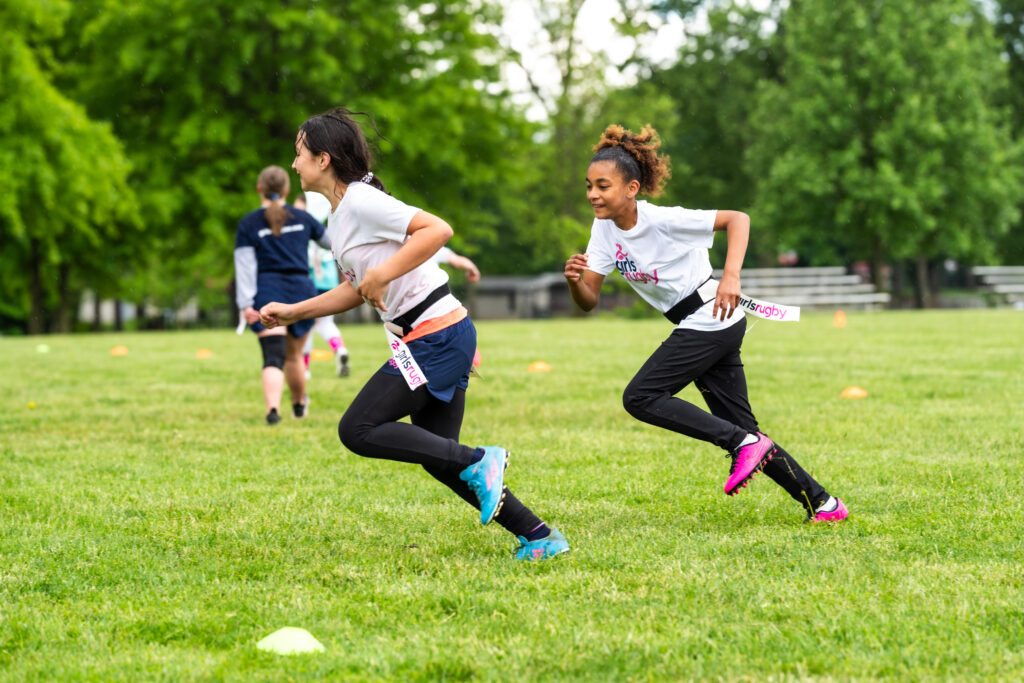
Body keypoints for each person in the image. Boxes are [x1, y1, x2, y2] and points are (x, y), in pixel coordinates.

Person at [259, 107, 568, 560]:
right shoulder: (340, 215)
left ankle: (480, 460)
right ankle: (539, 535)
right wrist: (293, 312)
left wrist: (382, 273)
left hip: (437, 335)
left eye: (299, 153)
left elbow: (437, 230)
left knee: (358, 429)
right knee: (440, 458)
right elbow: (354, 288)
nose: (293, 164)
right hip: (427, 338)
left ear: (323, 159)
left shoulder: (363, 201)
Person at [564, 124, 848, 523]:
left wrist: (731, 275)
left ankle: (741, 444)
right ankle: (824, 504)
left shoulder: (663, 220)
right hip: (704, 322)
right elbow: (588, 300)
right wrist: (575, 282)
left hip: (710, 317)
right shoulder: (603, 229)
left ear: (631, 188)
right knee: (746, 430)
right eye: (589, 185)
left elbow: (738, 219)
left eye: (603, 186)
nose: (593, 194)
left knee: (641, 397)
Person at [234, 166, 330, 425]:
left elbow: (244, 267)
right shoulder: (303, 218)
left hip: (267, 291)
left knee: (273, 356)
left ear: (259, 189)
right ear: (287, 190)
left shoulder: (249, 223)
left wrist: (245, 304)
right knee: (294, 356)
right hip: (302, 291)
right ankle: (299, 405)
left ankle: (273, 410)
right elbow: (333, 243)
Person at [295, 191, 351, 378]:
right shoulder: (325, 228)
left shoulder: (303, 228)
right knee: (326, 323)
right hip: (329, 279)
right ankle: (340, 348)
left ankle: (305, 368)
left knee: (306, 322)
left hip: (310, 280)